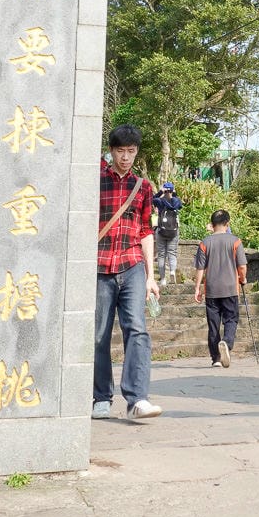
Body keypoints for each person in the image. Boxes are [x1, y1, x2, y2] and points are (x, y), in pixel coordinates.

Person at [92, 125, 163, 422]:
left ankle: (137, 399)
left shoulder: (143, 187)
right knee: (99, 334)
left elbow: (146, 231)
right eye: (120, 151)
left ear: (137, 152)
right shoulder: (95, 180)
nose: (125, 157)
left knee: (137, 329)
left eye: (131, 151)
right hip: (99, 265)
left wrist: (150, 276)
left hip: (132, 263)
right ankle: (101, 397)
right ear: (111, 151)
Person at [192, 209, 247, 368]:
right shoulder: (235, 241)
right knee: (231, 319)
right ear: (227, 223)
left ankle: (216, 358)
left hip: (211, 289)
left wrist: (197, 288)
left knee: (213, 324)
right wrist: (242, 278)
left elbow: (200, 268)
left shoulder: (204, 243)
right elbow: (242, 266)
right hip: (230, 288)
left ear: (212, 224)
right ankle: (227, 343)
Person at [152, 181, 183, 286]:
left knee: (161, 255)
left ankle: (163, 279)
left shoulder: (159, 201)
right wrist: (173, 193)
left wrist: (160, 192)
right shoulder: (176, 201)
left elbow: (151, 199)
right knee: (172, 253)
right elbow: (179, 205)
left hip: (161, 231)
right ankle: (172, 271)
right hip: (173, 231)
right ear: (172, 190)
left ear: (164, 190)